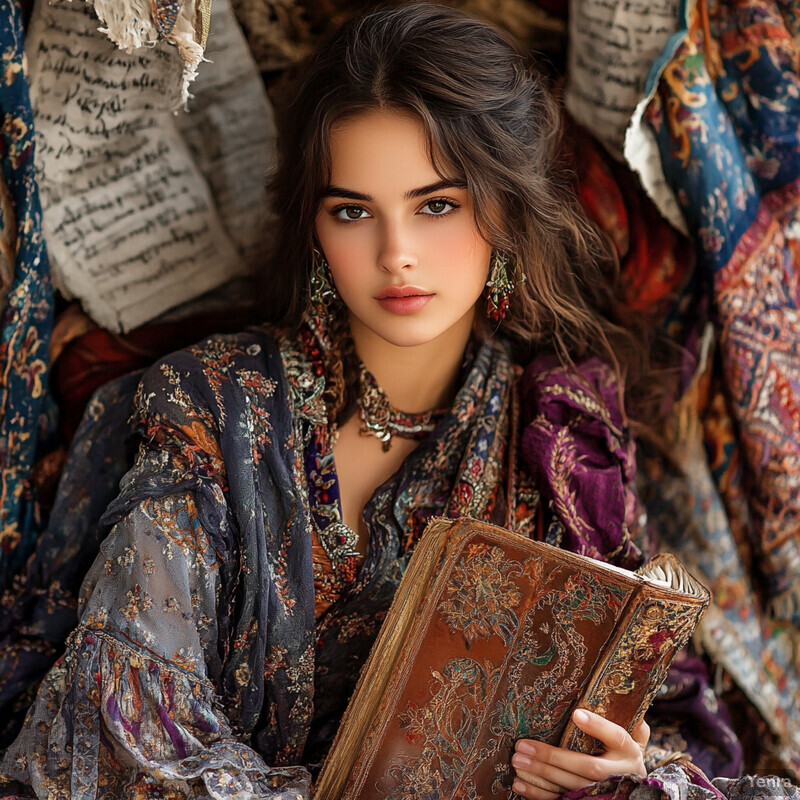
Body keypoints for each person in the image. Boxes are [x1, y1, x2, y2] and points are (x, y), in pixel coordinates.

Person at [0, 3, 740, 799]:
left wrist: (615, 767)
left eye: (438, 205)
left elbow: (662, 717)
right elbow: (122, 725)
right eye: (353, 211)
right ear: (314, 229)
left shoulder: (559, 440)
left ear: (506, 212)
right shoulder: (214, 408)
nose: (397, 255)